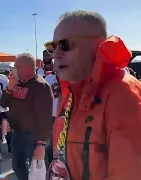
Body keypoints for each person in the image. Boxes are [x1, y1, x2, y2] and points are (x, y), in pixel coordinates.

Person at [44, 10, 141, 179]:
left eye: (65, 44)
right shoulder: (72, 91)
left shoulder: (124, 94)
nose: (56, 55)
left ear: (98, 45)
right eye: (53, 47)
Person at [0, 53, 53, 180]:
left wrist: (41, 144)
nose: (14, 70)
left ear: (28, 67)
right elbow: (3, 103)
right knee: (18, 167)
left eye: (17, 67)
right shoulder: (17, 83)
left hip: (34, 137)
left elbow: (45, 118)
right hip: (17, 134)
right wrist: (9, 89)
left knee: (38, 172)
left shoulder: (41, 86)